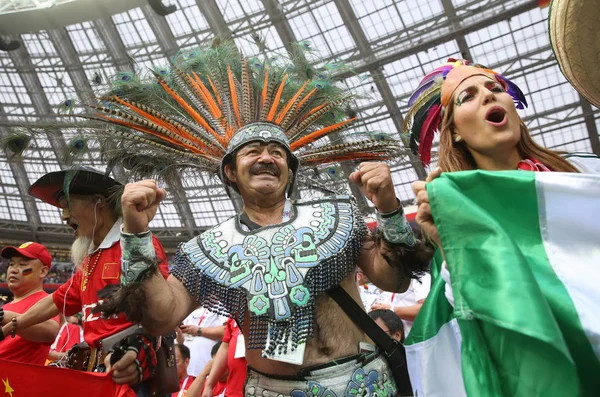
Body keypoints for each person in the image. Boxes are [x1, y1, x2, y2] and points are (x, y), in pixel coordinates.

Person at [80, 40, 433, 396]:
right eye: (253, 152)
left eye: (277, 153)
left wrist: (388, 208)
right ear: (231, 172)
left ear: (290, 172)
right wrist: (136, 232)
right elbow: (161, 316)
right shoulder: (206, 249)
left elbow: (394, 280)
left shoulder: (337, 216)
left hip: (368, 385)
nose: (267, 158)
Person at [406, 58, 600, 395]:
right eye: (467, 96)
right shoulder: (455, 215)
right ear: (454, 131)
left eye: (495, 89)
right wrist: (453, 245)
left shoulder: (583, 172)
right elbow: (474, 329)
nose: (488, 96)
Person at [6, 167, 170, 392]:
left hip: (130, 374)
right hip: (98, 375)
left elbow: (166, 307)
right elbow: (58, 299)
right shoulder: (92, 258)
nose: (63, 216)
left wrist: (142, 349)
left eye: (68, 206)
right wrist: (13, 326)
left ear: (98, 202)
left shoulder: (135, 246)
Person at [0, 242, 60, 365]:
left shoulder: (45, 302)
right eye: (11, 264)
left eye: (22, 264)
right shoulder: (6, 306)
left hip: (13, 381)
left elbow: (50, 331)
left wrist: (3, 316)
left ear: (43, 272)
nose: (13, 270)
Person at [178, 307, 226, 377]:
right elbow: (180, 341)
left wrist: (198, 331)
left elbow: (227, 330)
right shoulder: (187, 308)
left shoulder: (220, 306)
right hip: (186, 371)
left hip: (206, 367)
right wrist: (180, 332)